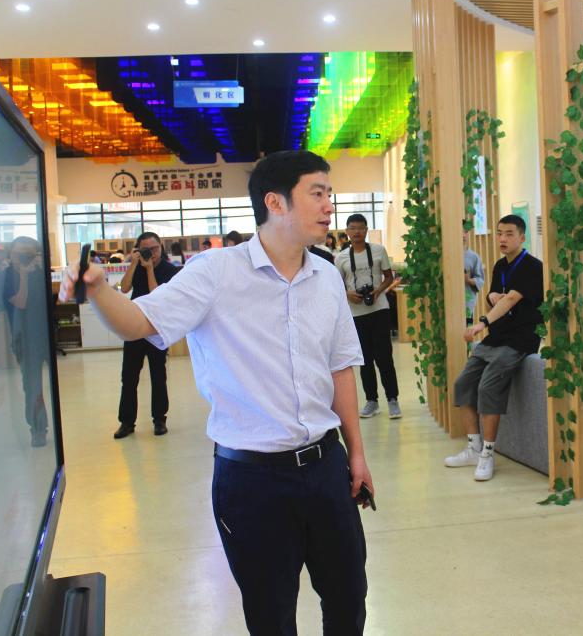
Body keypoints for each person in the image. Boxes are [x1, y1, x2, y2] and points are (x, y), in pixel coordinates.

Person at [58, 150, 373, 634]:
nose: (329, 205)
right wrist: (99, 289)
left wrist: (357, 455)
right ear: (275, 202)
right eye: (317, 193)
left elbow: (341, 370)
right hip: (253, 480)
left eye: (329, 193)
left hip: (325, 466)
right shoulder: (216, 272)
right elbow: (138, 322)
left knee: (349, 599)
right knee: (271, 615)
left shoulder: (327, 276)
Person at [445, 214, 543, 481]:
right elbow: (495, 295)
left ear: (522, 237)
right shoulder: (500, 265)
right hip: (496, 337)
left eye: (509, 234)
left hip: (520, 339)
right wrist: (491, 296)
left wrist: (482, 322)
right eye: (500, 233)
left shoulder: (532, 266)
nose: (502, 238)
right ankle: (474, 448)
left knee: (487, 388)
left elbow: (510, 300)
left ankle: (487, 454)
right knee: (463, 384)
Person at [113, 232, 179, 439]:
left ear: (161, 247)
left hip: (156, 328)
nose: (151, 253)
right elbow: (124, 288)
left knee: (158, 375)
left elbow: (157, 297)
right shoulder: (136, 266)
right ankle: (126, 422)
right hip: (134, 327)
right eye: (146, 249)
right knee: (129, 376)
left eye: (155, 248)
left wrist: (150, 269)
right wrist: (133, 264)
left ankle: (159, 419)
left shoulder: (169, 270)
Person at [335, 213, 401, 419]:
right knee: (364, 360)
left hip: (379, 310)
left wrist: (378, 291)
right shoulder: (341, 257)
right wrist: (348, 294)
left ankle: (393, 399)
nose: (357, 232)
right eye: (353, 228)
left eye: (361, 228)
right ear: (347, 231)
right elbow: (336, 284)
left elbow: (388, 277)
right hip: (356, 314)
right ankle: (372, 401)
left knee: (384, 357)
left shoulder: (379, 250)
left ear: (366, 230)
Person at [0, 236, 50, 447]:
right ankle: (38, 429)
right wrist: (23, 275)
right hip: (25, 340)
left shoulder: (42, 274)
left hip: (45, 335)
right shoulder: (6, 276)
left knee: (54, 386)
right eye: (19, 253)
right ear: (11, 254)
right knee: (33, 386)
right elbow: (20, 301)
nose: (23, 258)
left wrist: (41, 268)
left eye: (28, 254)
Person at [463, 226, 485, 325]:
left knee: (468, 329)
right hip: (449, 302)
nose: (463, 235)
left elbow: (480, 279)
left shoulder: (474, 257)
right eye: (460, 232)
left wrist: (468, 280)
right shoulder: (447, 255)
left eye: (465, 232)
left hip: (467, 303)